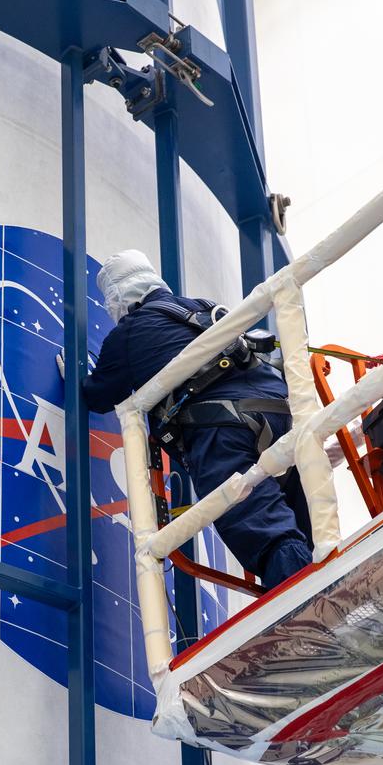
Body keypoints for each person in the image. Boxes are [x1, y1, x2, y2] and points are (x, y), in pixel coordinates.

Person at [78, 249, 313, 591]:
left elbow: (99, 394)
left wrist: (76, 378)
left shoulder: (129, 332)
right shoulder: (200, 306)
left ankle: (305, 608)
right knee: (303, 520)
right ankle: (324, 586)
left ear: (117, 296)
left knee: (257, 522)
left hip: (221, 425)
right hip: (278, 414)